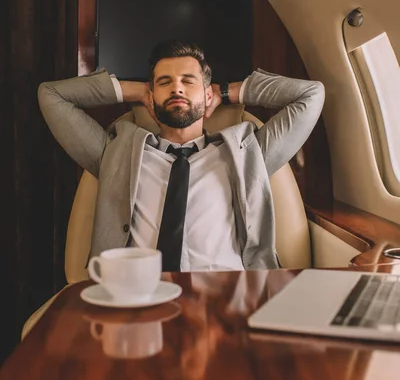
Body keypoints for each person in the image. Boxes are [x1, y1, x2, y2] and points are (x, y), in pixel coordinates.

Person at [38, 39, 324, 271]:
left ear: (207, 95)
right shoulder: (114, 153)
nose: (176, 87)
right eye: (164, 82)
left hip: (225, 299)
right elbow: (51, 95)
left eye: (188, 81)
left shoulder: (249, 153)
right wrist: (135, 90)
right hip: (137, 296)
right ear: (152, 98)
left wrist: (228, 92)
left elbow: (311, 95)